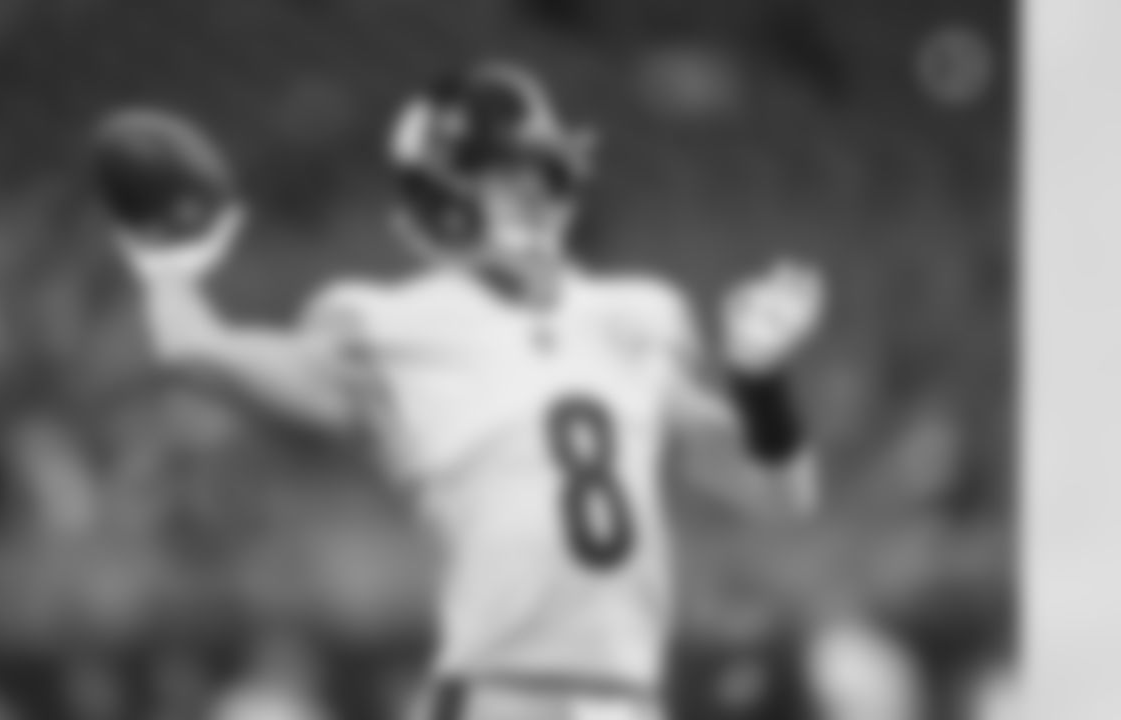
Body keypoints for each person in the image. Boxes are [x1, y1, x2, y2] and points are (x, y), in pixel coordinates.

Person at [100, 59, 825, 720]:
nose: (527, 193)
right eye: (497, 174)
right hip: (497, 698)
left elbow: (783, 494)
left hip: (625, 703)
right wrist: (169, 269)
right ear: (438, 196)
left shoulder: (640, 315)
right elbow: (195, 352)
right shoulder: (388, 323)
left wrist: (761, 384)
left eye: (535, 171)